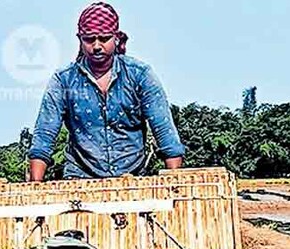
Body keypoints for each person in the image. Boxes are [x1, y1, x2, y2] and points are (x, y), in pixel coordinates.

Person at [27, 2, 185, 181]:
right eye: (89, 39)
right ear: (80, 39)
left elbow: (165, 133)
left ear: (116, 38)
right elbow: (44, 136)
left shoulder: (140, 75)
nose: (96, 46)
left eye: (103, 39)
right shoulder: (64, 80)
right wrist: (35, 188)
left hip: (133, 179)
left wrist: (175, 185)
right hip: (79, 179)